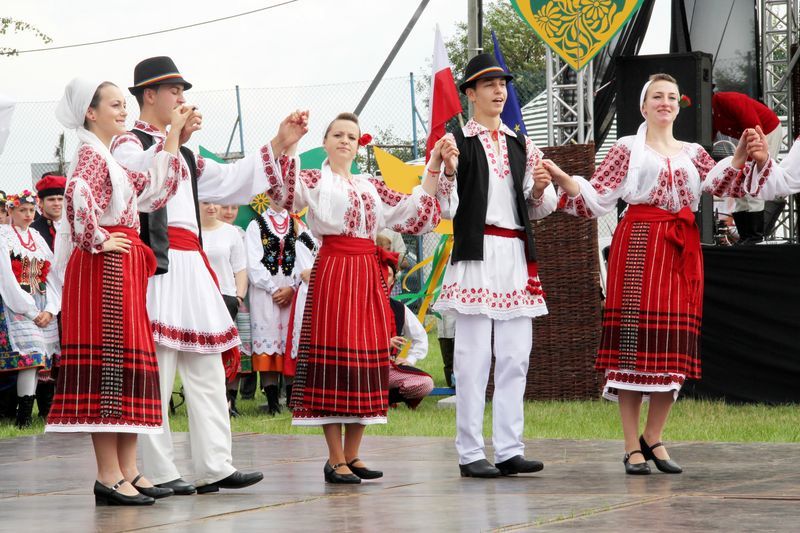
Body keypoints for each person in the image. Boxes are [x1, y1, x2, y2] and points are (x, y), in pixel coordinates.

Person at [543, 73, 771, 475]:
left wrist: (739, 156)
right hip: (639, 245)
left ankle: (655, 436)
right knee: (633, 348)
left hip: (680, 248)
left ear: (677, 106)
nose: (665, 103)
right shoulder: (627, 148)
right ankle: (631, 445)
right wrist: (567, 182)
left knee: (672, 346)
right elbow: (598, 197)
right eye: (657, 97)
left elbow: (720, 184)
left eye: (671, 97)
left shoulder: (693, 152)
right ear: (644, 106)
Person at [111, 56, 302, 495]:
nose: (182, 99)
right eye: (174, 91)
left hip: (192, 263)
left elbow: (234, 179)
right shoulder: (127, 143)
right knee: (156, 370)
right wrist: (174, 136)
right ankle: (159, 471)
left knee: (207, 369)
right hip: (155, 264)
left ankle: (216, 464)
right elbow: (139, 179)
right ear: (150, 95)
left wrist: (278, 142)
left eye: (183, 92)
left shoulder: (189, 154)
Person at [265, 111, 453, 483]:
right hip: (334, 271)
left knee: (367, 361)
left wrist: (434, 164)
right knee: (335, 363)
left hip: (366, 275)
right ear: (325, 142)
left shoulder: (371, 186)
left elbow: (414, 214)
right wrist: (291, 143)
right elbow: (285, 192)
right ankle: (334, 458)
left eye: (352, 136)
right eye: (337, 134)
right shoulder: (315, 179)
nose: (345, 141)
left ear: (358, 144)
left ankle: (353, 454)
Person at [44, 78, 189, 505]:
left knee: (125, 366)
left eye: (124, 105)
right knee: (109, 367)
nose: (122, 111)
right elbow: (76, 194)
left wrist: (175, 136)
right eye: (114, 105)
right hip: (102, 267)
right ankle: (109, 474)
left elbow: (150, 188)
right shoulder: (90, 153)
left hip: (119, 268)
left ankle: (127, 470)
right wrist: (98, 238)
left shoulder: (107, 156)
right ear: (90, 113)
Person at [432, 53, 556, 479]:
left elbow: (536, 208)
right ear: (470, 93)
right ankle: (469, 452)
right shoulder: (458, 142)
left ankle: (508, 448)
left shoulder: (520, 142)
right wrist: (448, 171)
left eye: (502, 84)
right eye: (488, 84)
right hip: (477, 253)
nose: (499, 90)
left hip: (515, 257)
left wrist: (539, 189)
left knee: (515, 357)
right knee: (472, 358)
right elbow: (446, 205)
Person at [246, 206, 314, 415]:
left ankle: (294, 399)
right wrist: (274, 288)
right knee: (269, 347)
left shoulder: (298, 225)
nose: (279, 197)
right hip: (265, 295)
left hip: (291, 293)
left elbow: (306, 258)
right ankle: (273, 403)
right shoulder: (255, 225)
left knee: (290, 344)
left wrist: (292, 288)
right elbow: (252, 264)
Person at [0, 191, 60, 428]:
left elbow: (53, 275)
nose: (27, 215)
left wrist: (52, 308)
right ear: (11, 212)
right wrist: (30, 310)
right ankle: (23, 417)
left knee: (39, 363)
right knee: (32, 359)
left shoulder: (36, 236)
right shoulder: (4, 236)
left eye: (31, 210)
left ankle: (25, 416)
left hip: (42, 303)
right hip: (19, 306)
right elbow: (6, 279)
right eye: (22, 210)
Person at [712, 91, 782, 243]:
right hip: (749, 141)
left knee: (754, 185)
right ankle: (745, 236)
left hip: (765, 133)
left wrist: (752, 160)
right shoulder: (708, 114)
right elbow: (707, 139)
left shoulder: (727, 100)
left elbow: (755, 127)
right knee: (740, 189)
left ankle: (754, 238)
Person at [199, 201, 248, 417]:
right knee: (202, 354)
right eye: (205, 203)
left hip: (226, 297)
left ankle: (228, 400)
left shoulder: (231, 233)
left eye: (214, 203)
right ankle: (206, 402)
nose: (211, 207)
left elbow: (240, 269)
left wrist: (238, 297)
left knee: (223, 350)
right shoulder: (193, 232)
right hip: (199, 297)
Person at [29, 173, 67, 419]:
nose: (57, 204)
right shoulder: (34, 231)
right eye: (51, 199)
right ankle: (46, 409)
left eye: (60, 199)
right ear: (40, 203)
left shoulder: (72, 225)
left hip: (73, 293)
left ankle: (66, 404)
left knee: (69, 352)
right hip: (46, 297)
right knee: (48, 353)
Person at [385, 263, 434, 409]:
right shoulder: (357, 304)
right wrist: (383, 343)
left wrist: (410, 359)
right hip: (361, 368)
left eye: (387, 275)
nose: (381, 277)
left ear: (393, 281)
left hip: (388, 369)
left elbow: (420, 337)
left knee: (425, 383)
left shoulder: (399, 308)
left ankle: (383, 398)